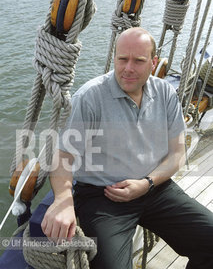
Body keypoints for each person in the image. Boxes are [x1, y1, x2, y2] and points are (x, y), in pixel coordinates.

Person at [41, 27, 213, 269]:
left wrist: (148, 183)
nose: (128, 68)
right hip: (103, 197)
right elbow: (63, 156)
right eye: (122, 59)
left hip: (155, 188)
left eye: (138, 61)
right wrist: (63, 200)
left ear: (153, 63)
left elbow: (177, 153)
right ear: (114, 58)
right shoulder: (89, 97)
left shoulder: (164, 93)